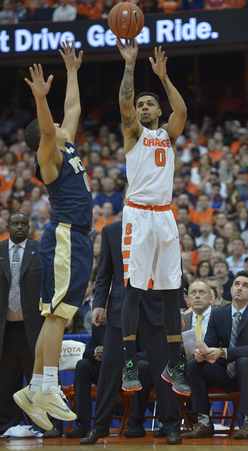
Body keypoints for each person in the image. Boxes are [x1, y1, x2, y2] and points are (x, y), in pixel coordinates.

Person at [13, 41, 93, 428]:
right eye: (55, 126)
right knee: (57, 317)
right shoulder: (49, 154)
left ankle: (36, 389)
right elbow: (48, 128)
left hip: (75, 238)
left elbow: (73, 109)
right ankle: (43, 386)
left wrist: (73, 73)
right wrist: (41, 99)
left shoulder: (67, 145)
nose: (63, 124)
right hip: (65, 236)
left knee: (58, 315)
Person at [116, 40, 190, 397]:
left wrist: (163, 77)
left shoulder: (168, 135)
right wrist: (130, 65)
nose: (143, 108)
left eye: (149, 104)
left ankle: (175, 364)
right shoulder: (134, 134)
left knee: (171, 292)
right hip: (139, 214)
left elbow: (182, 111)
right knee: (133, 291)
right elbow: (124, 103)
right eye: (141, 105)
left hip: (164, 216)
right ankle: (130, 362)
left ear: (157, 111)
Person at [80, 222, 183, 445]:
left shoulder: (161, 226)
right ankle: (100, 427)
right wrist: (99, 304)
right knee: (109, 367)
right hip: (119, 305)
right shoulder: (111, 231)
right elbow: (104, 271)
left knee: (163, 368)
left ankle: (172, 426)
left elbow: (172, 267)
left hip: (154, 305)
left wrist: (178, 307)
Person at [183, 271, 248, 440]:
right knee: (194, 364)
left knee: (244, 361)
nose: (240, 288)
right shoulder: (219, 313)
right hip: (225, 372)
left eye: (245, 286)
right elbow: (210, 343)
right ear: (230, 289)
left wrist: (222, 352)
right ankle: (203, 422)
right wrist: (201, 352)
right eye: (237, 284)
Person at [0, 212, 44, 433]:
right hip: (5, 329)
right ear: (7, 226)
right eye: (15, 223)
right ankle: (6, 424)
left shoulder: (40, 250)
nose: (19, 227)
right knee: (6, 379)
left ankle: (42, 424)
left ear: (29, 227)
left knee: (36, 377)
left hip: (33, 327)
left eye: (23, 224)